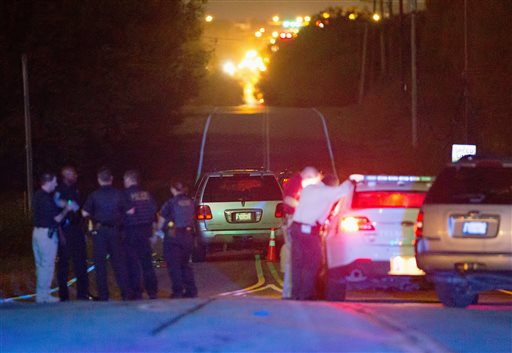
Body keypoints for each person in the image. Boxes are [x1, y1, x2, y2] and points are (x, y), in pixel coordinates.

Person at [290, 174, 349, 300]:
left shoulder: (309, 189)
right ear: (332, 186)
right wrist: (354, 179)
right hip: (308, 231)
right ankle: (306, 295)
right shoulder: (327, 192)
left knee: (298, 263)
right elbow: (345, 190)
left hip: (296, 229)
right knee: (313, 262)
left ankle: (295, 294)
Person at [81, 167, 131, 301]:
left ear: (99, 180)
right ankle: (125, 294)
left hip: (100, 232)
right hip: (115, 231)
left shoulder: (94, 195)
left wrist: (95, 215)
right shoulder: (119, 194)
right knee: (119, 263)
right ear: (111, 179)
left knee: (100, 264)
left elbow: (84, 213)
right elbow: (130, 211)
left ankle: (104, 296)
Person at [32, 172, 74, 303]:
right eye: (54, 182)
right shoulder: (46, 199)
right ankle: (44, 296)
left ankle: (41, 295)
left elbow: (55, 204)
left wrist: (63, 203)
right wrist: (67, 209)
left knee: (40, 265)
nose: (56, 184)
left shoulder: (37, 195)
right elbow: (57, 218)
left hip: (37, 233)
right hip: (47, 235)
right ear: (48, 182)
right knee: (47, 265)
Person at [280, 166, 321, 299]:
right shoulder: (297, 182)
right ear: (309, 176)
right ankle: (290, 292)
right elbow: (288, 199)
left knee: (296, 259)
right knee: (295, 260)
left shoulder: (297, 180)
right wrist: (304, 208)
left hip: (295, 220)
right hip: (294, 221)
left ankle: (292, 291)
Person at [156, 181, 198, 299]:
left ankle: (177, 291)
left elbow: (161, 222)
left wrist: (158, 231)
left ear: (172, 189)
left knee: (174, 266)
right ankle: (191, 290)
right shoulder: (191, 202)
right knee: (185, 264)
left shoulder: (170, 203)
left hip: (173, 237)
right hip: (188, 237)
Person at [54, 166, 89, 301]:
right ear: (66, 175)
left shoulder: (75, 188)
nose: (75, 176)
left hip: (77, 229)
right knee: (64, 263)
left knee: (81, 262)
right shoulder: (59, 188)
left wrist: (84, 230)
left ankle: (83, 294)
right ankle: (64, 297)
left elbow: (79, 210)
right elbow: (56, 201)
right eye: (73, 174)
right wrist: (69, 203)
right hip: (65, 229)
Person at [122, 170, 158, 300]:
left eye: (124, 180)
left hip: (131, 232)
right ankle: (152, 291)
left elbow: (122, 213)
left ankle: (137, 292)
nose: (124, 182)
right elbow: (154, 213)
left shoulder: (125, 194)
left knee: (133, 263)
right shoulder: (147, 195)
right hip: (145, 232)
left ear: (129, 179)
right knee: (147, 263)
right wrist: (153, 232)